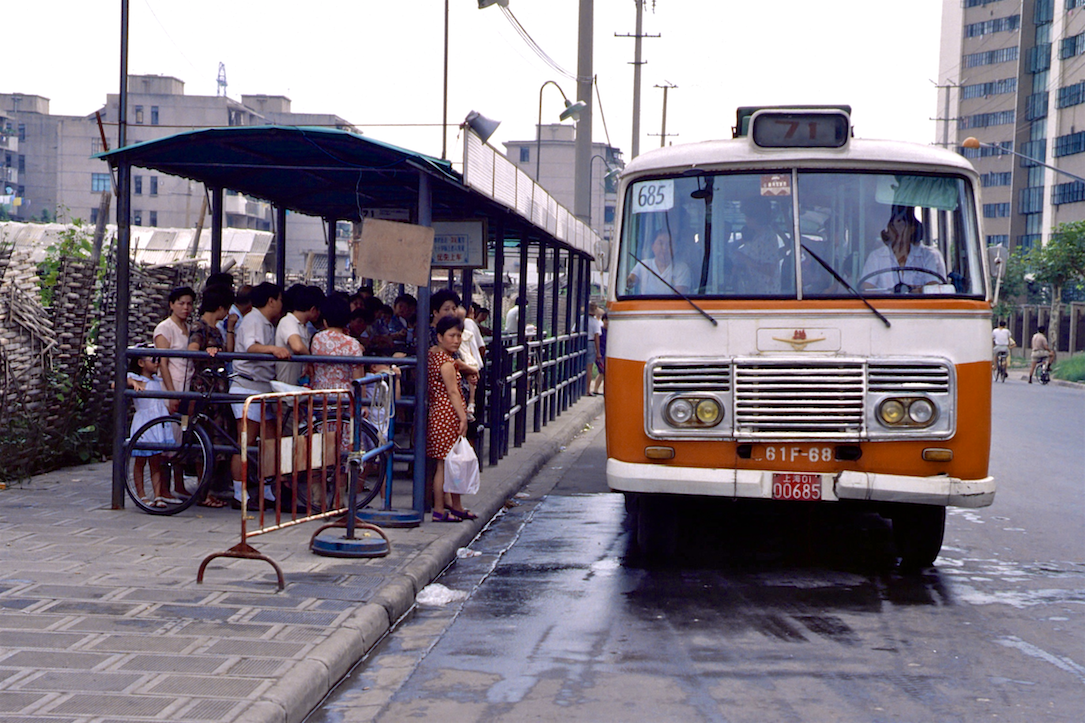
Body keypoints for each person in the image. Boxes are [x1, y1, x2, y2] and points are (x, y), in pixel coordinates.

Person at [230, 282, 291, 506]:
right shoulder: (253, 320)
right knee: (246, 439)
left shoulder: (267, 323)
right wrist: (274, 350)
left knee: (270, 439)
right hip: (247, 386)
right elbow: (251, 347)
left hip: (263, 387)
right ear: (271, 300)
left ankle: (266, 490)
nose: (281, 305)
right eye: (280, 300)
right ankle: (240, 493)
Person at [186, 285, 235, 508]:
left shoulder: (217, 328)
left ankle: (207, 490)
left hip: (217, 388)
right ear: (221, 307)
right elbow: (193, 349)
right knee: (205, 440)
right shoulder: (201, 328)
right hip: (205, 388)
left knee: (216, 440)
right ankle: (203, 491)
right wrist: (206, 353)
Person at [428, 315, 474, 523]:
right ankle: (440, 509)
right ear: (439, 336)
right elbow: (453, 392)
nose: (456, 340)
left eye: (459, 336)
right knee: (446, 465)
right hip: (448, 415)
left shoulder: (434, 355)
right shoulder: (446, 364)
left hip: (438, 413)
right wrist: (463, 418)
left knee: (448, 464)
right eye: (451, 336)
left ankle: (454, 506)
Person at [861, 205, 947, 293]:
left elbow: (932, 287)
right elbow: (867, 289)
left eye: (901, 225)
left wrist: (915, 292)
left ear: (912, 229)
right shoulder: (876, 257)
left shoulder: (927, 256)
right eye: (892, 226)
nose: (897, 231)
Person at [126, 352, 171, 507]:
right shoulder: (137, 379)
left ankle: (158, 495)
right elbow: (118, 382)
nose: (157, 363)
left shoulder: (157, 380)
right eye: (153, 360)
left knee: (156, 461)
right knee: (140, 461)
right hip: (144, 423)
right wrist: (132, 382)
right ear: (141, 363)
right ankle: (142, 494)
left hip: (158, 422)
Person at [154, 286, 196, 414]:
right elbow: (163, 364)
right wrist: (172, 394)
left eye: (189, 304)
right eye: (181, 303)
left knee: (184, 426)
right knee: (171, 426)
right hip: (171, 383)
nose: (185, 308)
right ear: (171, 305)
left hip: (188, 382)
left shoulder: (190, 329)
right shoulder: (165, 328)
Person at [733, 197, 784, 295]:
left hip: (767, 297)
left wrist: (745, 259)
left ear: (759, 217)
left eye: (749, 216)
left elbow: (770, 270)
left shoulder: (768, 237)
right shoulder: (757, 236)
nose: (746, 219)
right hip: (756, 292)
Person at [275, 285, 321, 385]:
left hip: (297, 386)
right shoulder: (288, 321)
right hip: (286, 387)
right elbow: (297, 347)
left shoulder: (303, 327)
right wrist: (310, 360)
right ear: (313, 310)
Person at [625, 230, 691, 295]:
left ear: (675, 248)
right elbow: (629, 283)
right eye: (660, 243)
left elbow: (678, 298)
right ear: (652, 246)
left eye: (669, 244)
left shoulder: (682, 269)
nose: (664, 248)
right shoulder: (643, 265)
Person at [586, 301, 603, 394]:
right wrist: (598, 352)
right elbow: (597, 337)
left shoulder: (581, 319)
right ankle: (587, 390)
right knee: (589, 367)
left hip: (581, 342)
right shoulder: (595, 322)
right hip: (591, 343)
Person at [592, 313, 608, 396]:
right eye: (606, 320)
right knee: (602, 371)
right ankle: (595, 389)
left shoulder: (611, 332)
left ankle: (599, 389)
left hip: (606, 355)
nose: (607, 322)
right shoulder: (600, 331)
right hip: (600, 354)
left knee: (605, 372)